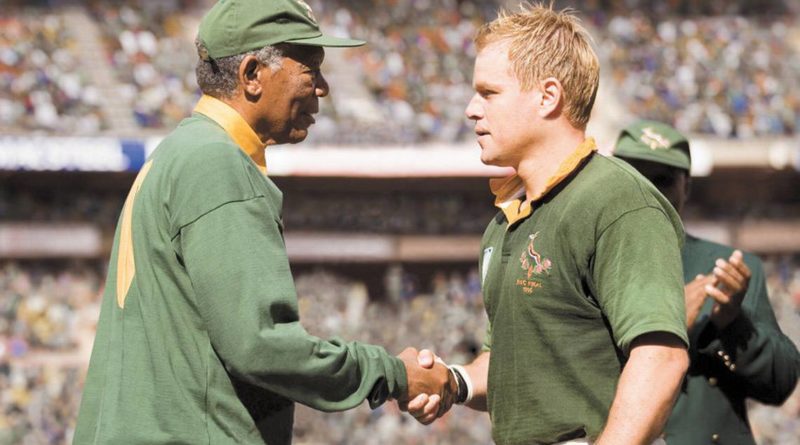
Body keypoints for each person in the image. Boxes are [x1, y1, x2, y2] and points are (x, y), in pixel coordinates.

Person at [73, 1, 453, 443]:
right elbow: (261, 346)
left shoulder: (178, 152)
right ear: (252, 74)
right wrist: (393, 373)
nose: (323, 89)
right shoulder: (218, 164)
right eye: (311, 69)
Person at [406, 4, 690, 445]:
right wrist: (455, 380)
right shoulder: (505, 222)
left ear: (548, 96)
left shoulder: (618, 200)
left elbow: (661, 357)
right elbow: (505, 359)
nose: (470, 109)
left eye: (489, 93)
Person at [613, 120, 800, 444]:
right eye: (636, 178)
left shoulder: (728, 266)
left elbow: (779, 383)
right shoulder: (585, 259)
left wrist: (732, 324)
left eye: (664, 180)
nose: (650, 191)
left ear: (686, 186)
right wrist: (667, 324)